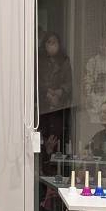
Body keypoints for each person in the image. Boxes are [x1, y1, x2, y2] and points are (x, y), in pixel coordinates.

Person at [38, 31, 73, 165]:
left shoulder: (64, 60)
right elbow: (35, 81)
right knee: (43, 140)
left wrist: (59, 92)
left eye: (54, 43)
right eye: (49, 42)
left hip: (60, 107)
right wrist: (46, 93)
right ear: (44, 44)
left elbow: (69, 83)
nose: (52, 46)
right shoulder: (39, 60)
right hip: (43, 107)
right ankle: (43, 165)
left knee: (58, 140)